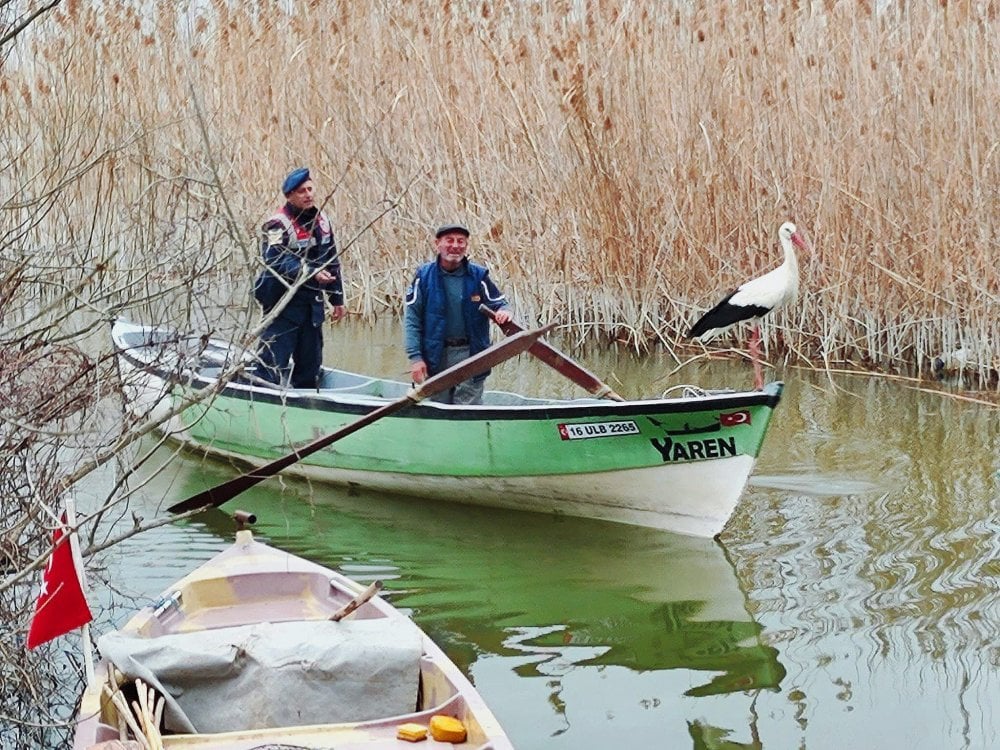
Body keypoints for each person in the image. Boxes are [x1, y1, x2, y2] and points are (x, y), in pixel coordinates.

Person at [254, 167, 346, 388]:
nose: (308, 195)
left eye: (310, 189)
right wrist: (311, 273)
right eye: (302, 191)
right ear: (290, 196)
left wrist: (337, 298)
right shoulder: (277, 224)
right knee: (271, 366)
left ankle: (305, 403)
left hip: (311, 306)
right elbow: (276, 260)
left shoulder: (322, 221)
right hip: (282, 305)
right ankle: (264, 400)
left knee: (310, 366)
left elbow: (331, 259)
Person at [404, 223, 512, 404]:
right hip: (436, 355)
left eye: (461, 241)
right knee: (437, 407)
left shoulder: (478, 276)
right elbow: (412, 319)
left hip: (472, 354)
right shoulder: (423, 276)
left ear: (466, 245)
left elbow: (500, 303)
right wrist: (415, 358)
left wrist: (504, 312)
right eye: (449, 240)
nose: (455, 246)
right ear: (437, 243)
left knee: (468, 409)